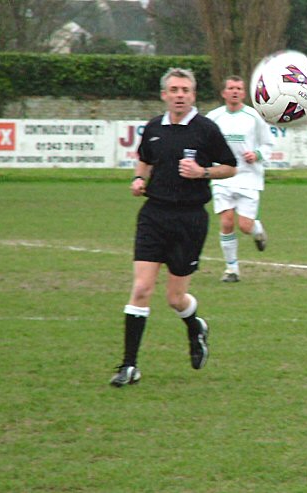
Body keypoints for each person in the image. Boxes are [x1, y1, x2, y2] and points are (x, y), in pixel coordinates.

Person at [110, 67, 237, 387]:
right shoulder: (153, 128)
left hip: (189, 219)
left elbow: (230, 167)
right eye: (174, 90)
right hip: (153, 215)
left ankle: (195, 327)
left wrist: (202, 173)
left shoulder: (206, 129)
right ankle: (129, 366)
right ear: (164, 94)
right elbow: (144, 159)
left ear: (193, 95)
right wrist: (139, 179)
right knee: (141, 288)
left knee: (175, 298)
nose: (180, 95)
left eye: (186, 90)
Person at [206, 75, 274, 283]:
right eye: (231, 88)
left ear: (243, 93)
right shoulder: (213, 118)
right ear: (223, 93)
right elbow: (203, 142)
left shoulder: (254, 117)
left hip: (248, 177)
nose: (234, 91)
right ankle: (231, 269)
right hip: (222, 176)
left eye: (238, 88)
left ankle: (258, 231)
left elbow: (268, 144)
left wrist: (257, 155)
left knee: (244, 226)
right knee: (226, 222)